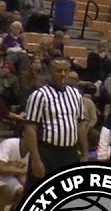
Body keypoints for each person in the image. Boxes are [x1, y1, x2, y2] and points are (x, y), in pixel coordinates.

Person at [22, 57, 87, 185]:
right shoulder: (39, 95)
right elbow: (30, 128)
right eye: (58, 70)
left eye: (66, 70)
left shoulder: (75, 94)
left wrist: (85, 154)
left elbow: (81, 125)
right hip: (47, 152)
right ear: (50, 73)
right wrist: (36, 159)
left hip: (70, 153)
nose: (63, 74)